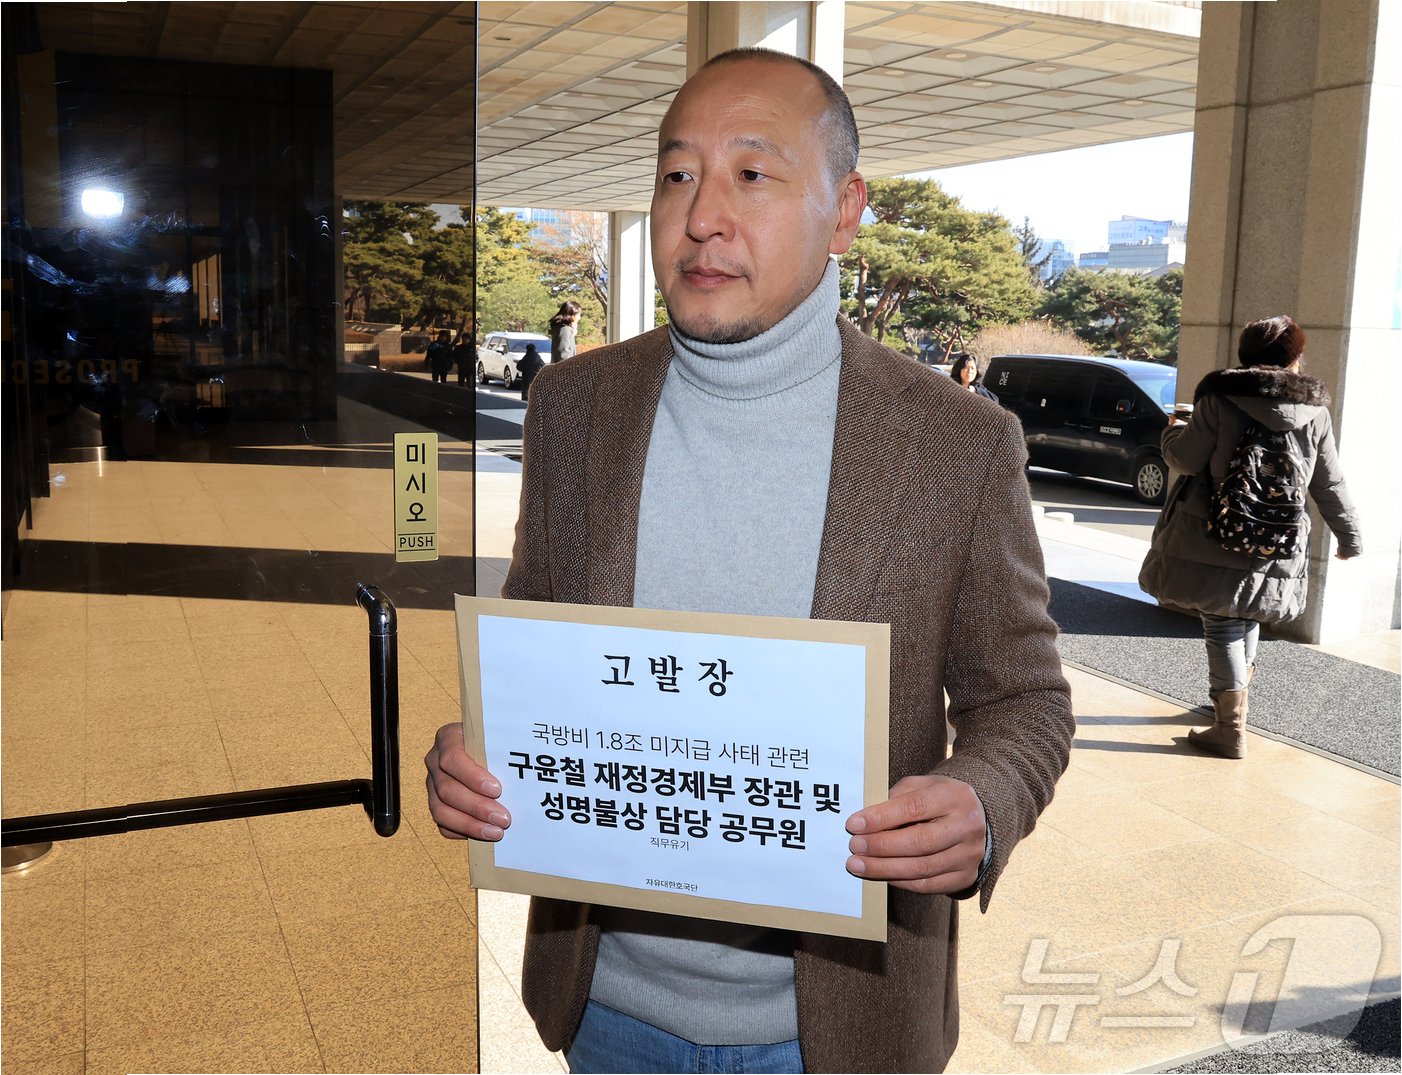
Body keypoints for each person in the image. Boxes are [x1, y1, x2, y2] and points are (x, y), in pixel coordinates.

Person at [426, 48, 1073, 1074]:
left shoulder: (954, 442)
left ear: (845, 209)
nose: (702, 217)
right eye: (677, 173)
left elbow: (1025, 700)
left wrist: (984, 802)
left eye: (752, 173)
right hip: (608, 1014)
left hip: (836, 1032)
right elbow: (537, 644)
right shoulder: (574, 407)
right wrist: (479, 750)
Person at [1139, 315, 1361, 759]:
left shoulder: (1219, 399)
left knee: (1222, 622)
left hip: (1218, 530)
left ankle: (1229, 728)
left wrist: (1173, 430)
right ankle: (1230, 705)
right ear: (1294, 359)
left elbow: (1184, 459)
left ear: (1246, 355)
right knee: (1249, 614)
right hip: (1279, 538)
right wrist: (1349, 536)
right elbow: (1328, 482)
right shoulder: (1314, 411)